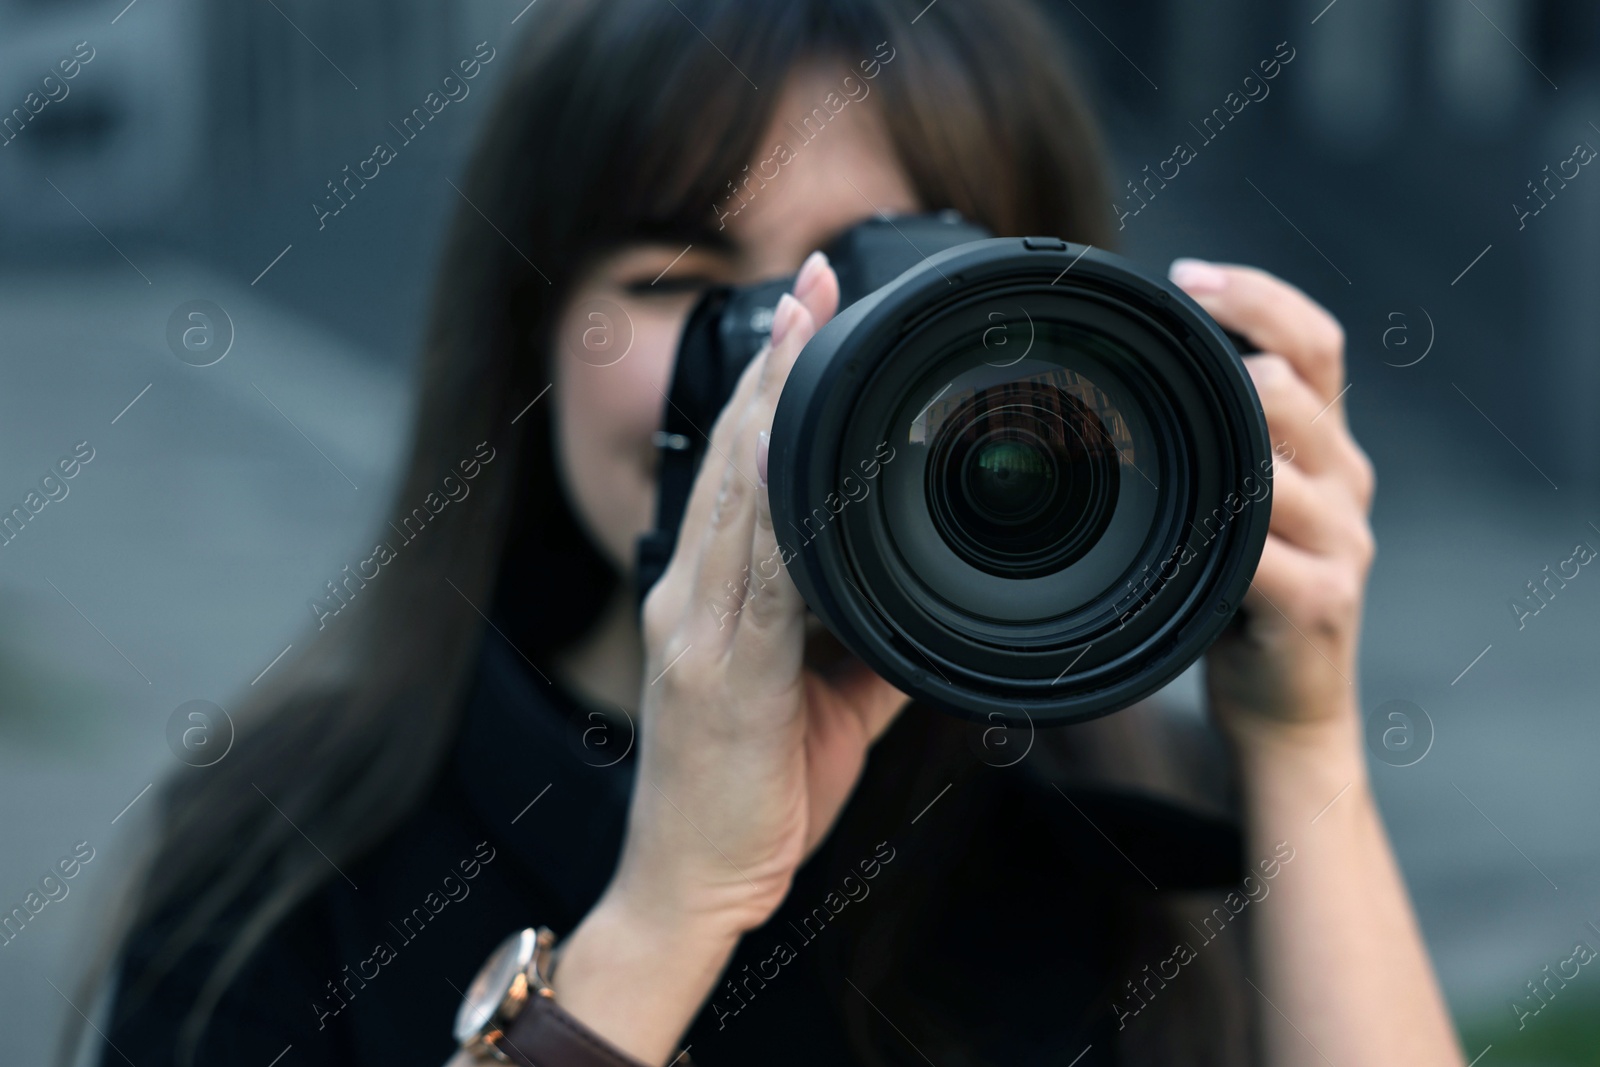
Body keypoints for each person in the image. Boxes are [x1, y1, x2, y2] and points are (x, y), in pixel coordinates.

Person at [73, 1, 1465, 1065]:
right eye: (686, 280)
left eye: (890, 300)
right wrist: (669, 910)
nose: (788, 378)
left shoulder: (1137, 849)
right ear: (533, 339)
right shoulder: (288, 868)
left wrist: (1303, 749)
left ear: (1088, 342)